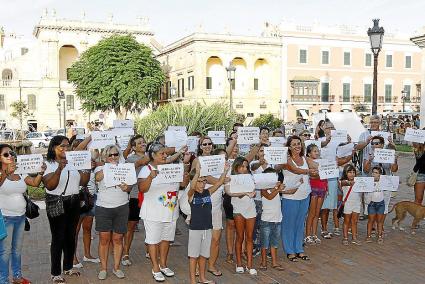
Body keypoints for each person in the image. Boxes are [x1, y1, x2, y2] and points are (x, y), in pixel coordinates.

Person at [138, 142, 190, 282]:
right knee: (153, 241)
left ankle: (163, 265)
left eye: (165, 153)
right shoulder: (146, 170)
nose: (165, 155)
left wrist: (185, 171)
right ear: (153, 155)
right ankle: (155, 267)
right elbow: (142, 189)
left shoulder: (171, 169)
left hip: (171, 212)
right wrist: (150, 177)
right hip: (153, 213)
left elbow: (183, 184)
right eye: (162, 153)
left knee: (166, 239)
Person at [42, 136, 90, 284]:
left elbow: (83, 181)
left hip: (74, 202)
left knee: (70, 236)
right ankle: (55, 273)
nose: (65, 148)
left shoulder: (73, 161)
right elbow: (50, 186)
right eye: (61, 146)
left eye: (67, 146)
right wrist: (59, 169)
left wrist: (86, 168)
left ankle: (68, 267)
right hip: (57, 202)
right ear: (53, 148)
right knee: (58, 238)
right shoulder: (47, 164)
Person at [0, 144, 46, 284]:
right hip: (5, 218)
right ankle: (3, 280)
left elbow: (34, 183)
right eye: (6, 154)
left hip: (20, 217)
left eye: (11, 153)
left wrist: (40, 173)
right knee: (5, 251)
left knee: (17, 249)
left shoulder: (20, 170)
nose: (10, 156)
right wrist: (6, 173)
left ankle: (17, 276)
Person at [94, 144, 132, 280]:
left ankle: (116, 267)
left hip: (122, 206)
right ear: (105, 156)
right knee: (104, 239)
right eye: (110, 155)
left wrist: (126, 187)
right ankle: (103, 268)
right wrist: (108, 167)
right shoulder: (100, 168)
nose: (113, 157)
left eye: (116, 154)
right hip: (103, 207)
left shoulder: (124, 167)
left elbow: (129, 187)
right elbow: (98, 178)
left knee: (118, 238)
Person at [276, 135, 315, 262]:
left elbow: (317, 165)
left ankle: (299, 249)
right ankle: (290, 250)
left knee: (299, 224)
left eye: (299, 143)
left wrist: (329, 167)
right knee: (289, 224)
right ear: (289, 147)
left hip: (304, 195)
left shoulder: (305, 158)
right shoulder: (286, 160)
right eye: (294, 144)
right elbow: (296, 170)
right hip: (290, 196)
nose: (297, 146)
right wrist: (309, 171)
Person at [187, 163, 228, 284]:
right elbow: (192, 186)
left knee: (204, 255)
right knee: (194, 256)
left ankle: (203, 278)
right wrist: (198, 172)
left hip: (207, 228)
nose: (202, 184)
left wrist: (225, 171)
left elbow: (219, 182)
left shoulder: (207, 192)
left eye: (204, 181)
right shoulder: (191, 194)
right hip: (195, 229)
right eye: (200, 181)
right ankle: (193, 281)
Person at [224, 157, 257, 275]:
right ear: (237, 167)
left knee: (249, 237)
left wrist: (251, 193)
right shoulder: (230, 178)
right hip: (238, 209)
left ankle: (250, 264)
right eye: (242, 166)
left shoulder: (250, 177)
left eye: (246, 167)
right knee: (239, 236)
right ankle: (239, 263)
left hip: (250, 209)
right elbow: (229, 192)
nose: (245, 169)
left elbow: (253, 192)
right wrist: (244, 193)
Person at [70, 138, 99, 269]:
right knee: (75, 231)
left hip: (91, 198)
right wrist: (90, 137)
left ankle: (87, 254)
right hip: (78, 198)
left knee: (88, 227)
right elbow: (77, 150)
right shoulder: (72, 161)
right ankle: (73, 257)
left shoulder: (90, 160)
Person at [122, 135, 149, 266]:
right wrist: (140, 162)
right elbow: (128, 171)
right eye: (139, 143)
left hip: (150, 196)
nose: (143, 144)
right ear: (133, 147)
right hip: (135, 196)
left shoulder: (152, 156)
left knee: (150, 225)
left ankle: (150, 250)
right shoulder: (130, 159)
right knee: (131, 226)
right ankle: (126, 253)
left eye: (144, 142)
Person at [259, 168, 290, 271]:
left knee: (275, 243)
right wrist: (277, 188)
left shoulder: (276, 186)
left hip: (277, 218)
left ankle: (274, 262)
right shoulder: (263, 188)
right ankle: (263, 262)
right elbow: (269, 196)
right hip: (266, 219)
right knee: (264, 243)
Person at [304, 144, 327, 245]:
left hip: (322, 188)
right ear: (309, 153)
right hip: (313, 188)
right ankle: (307, 235)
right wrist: (321, 174)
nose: (317, 153)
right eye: (314, 151)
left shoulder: (322, 161)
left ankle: (314, 234)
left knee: (317, 213)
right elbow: (312, 176)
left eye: (318, 151)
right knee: (311, 213)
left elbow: (325, 175)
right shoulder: (307, 162)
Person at [340, 164, 361, 245]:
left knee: (354, 221)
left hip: (357, 203)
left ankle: (354, 238)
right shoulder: (342, 181)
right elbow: (344, 183)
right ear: (346, 173)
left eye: (353, 172)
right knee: (346, 221)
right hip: (348, 203)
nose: (352, 174)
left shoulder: (358, 181)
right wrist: (350, 182)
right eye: (349, 172)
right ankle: (345, 237)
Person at [365, 167, 385, 244]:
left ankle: (380, 235)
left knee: (380, 221)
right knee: (371, 220)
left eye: (376, 173)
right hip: (372, 203)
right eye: (373, 172)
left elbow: (391, 184)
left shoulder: (384, 182)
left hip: (381, 203)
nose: (374, 174)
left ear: (380, 174)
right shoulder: (368, 182)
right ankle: (368, 236)